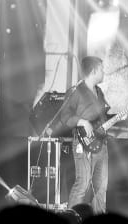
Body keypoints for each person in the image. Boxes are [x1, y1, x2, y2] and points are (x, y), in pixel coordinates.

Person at [46, 56, 112, 213]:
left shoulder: (99, 92)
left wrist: (123, 115)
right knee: (83, 183)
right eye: (101, 69)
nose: (104, 72)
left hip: (101, 143)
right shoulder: (76, 91)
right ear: (93, 71)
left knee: (101, 186)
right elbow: (64, 116)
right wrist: (81, 121)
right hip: (83, 143)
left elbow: (103, 118)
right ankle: (71, 219)